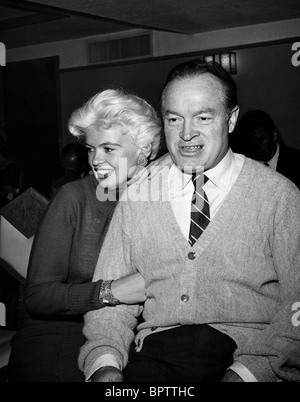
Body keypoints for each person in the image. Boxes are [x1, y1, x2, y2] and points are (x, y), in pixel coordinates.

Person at [79, 59, 300, 382]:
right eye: (174, 118)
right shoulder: (139, 193)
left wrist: (252, 372)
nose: (186, 134)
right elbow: (111, 300)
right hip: (156, 356)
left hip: (249, 355)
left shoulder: (278, 195)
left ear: (231, 119)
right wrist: (105, 361)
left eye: (203, 117)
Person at [7, 88, 162, 382]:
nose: (95, 160)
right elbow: (38, 297)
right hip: (62, 332)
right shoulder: (73, 198)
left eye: (108, 149)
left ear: (143, 149)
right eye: (91, 149)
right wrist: (110, 291)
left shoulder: (161, 198)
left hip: (132, 334)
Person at [230, 109, 300, 188]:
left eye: (260, 139)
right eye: (250, 141)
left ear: (274, 135)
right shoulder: (242, 168)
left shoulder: (297, 162)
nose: (255, 145)